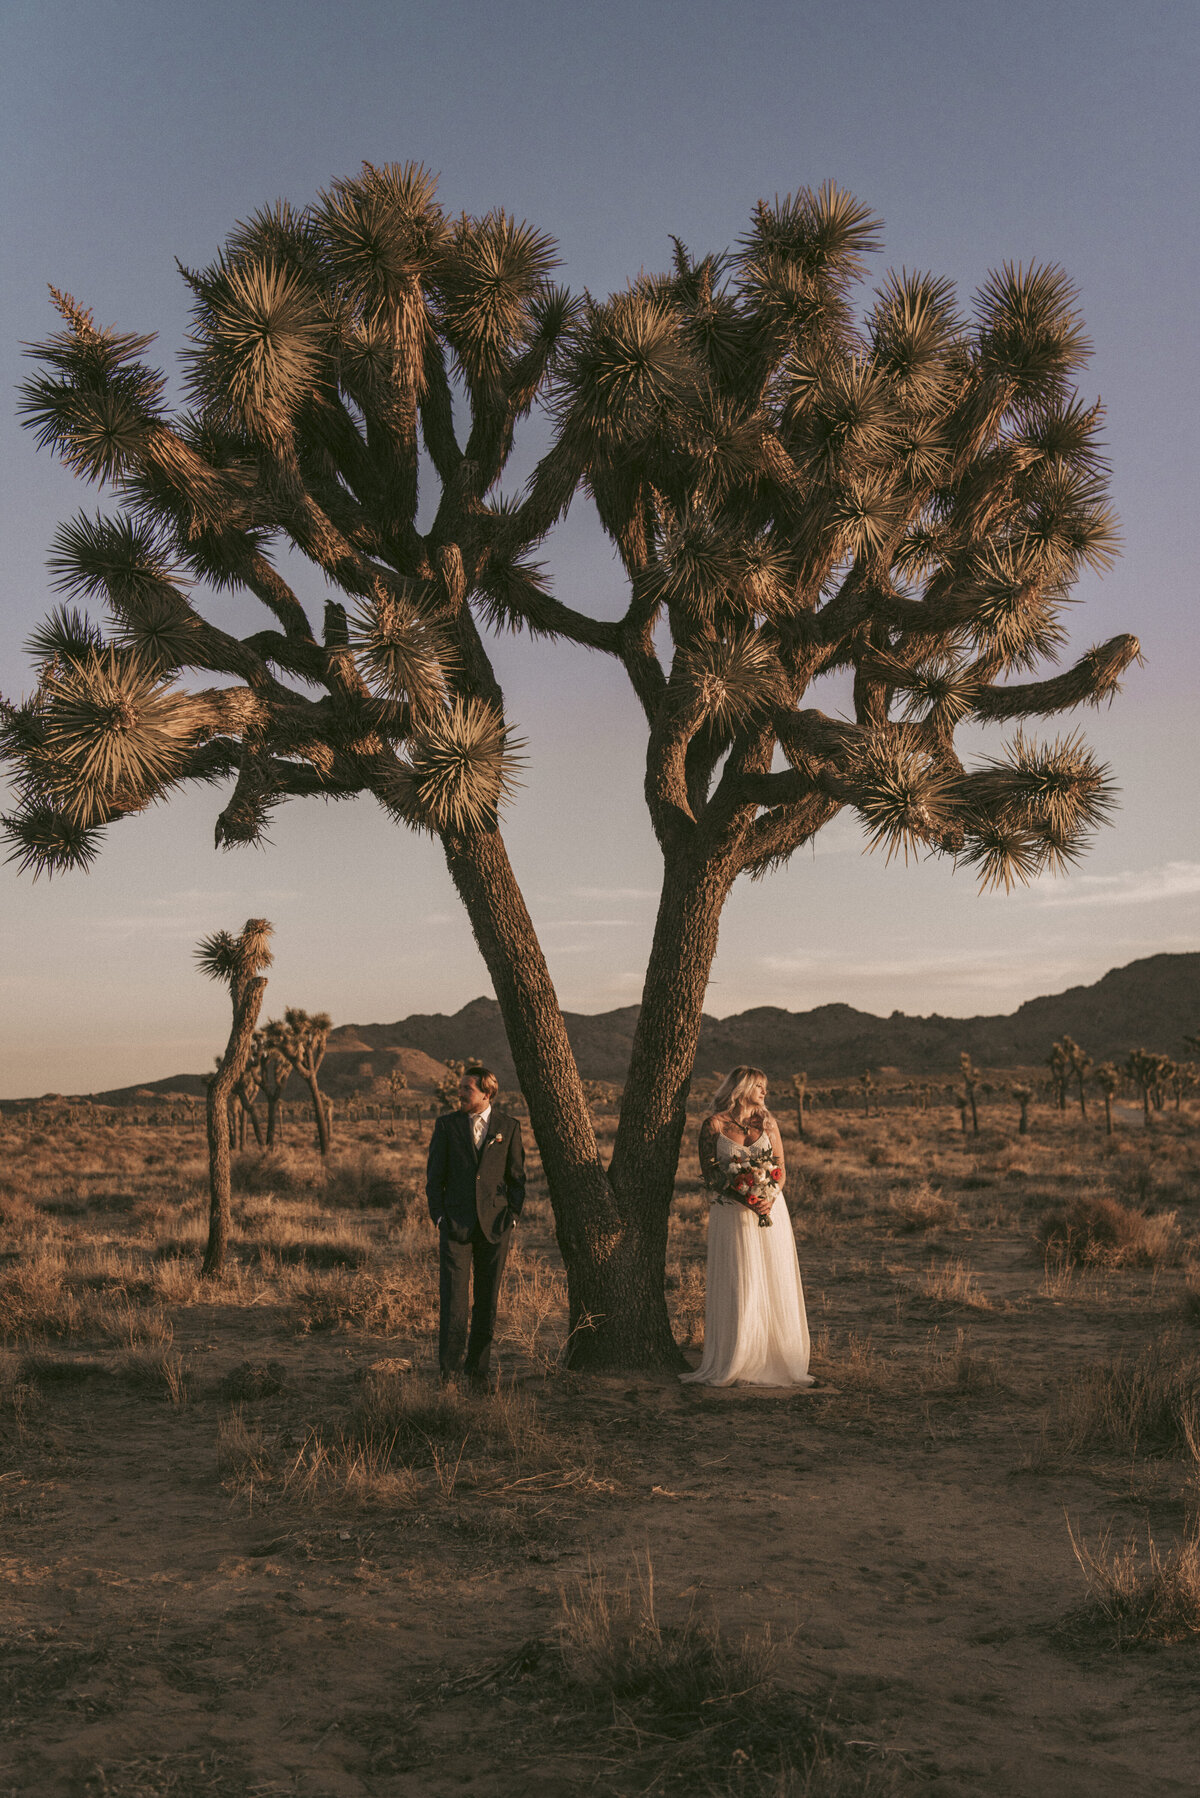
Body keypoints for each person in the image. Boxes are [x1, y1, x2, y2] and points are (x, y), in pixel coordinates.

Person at [681, 1065, 813, 1388]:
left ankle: (777, 1356)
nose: (764, 1092)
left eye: (765, 1087)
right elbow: (710, 1175)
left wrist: (769, 1195)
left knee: (772, 1278)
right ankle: (739, 1354)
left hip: (770, 1211)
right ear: (741, 1088)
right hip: (733, 1214)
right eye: (759, 1086)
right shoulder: (713, 1125)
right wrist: (744, 1198)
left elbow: (780, 1167)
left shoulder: (767, 1123)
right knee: (741, 1281)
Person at [425, 1064, 526, 1384]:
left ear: (487, 1093)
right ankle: (449, 1372)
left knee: (487, 1300)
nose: (460, 1093)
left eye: (467, 1089)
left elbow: (517, 1177)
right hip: (456, 1226)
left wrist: (512, 1215)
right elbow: (434, 1177)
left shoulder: (508, 1127)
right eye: (460, 1087)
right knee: (453, 1301)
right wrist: (439, 1216)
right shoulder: (447, 1126)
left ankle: (478, 1371)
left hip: (495, 1227)